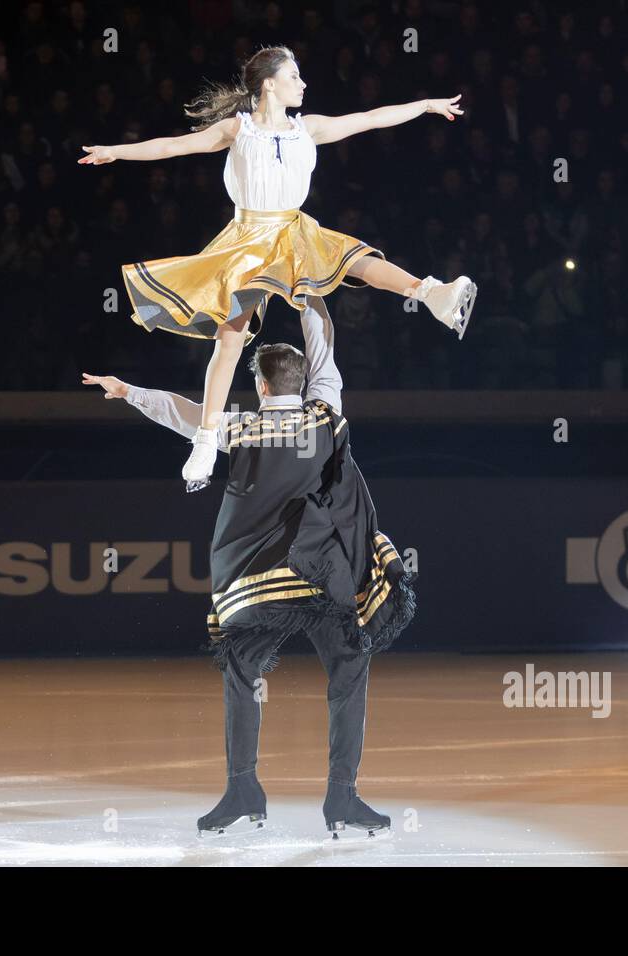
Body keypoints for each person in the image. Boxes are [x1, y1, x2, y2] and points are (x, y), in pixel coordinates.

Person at [82, 293, 416, 841]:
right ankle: (342, 797)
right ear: (301, 382)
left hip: (258, 587)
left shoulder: (234, 429)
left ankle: (243, 788)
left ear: (260, 386)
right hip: (324, 577)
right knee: (349, 669)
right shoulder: (324, 417)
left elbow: (183, 413)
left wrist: (126, 392)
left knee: (241, 672)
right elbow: (324, 348)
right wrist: (311, 290)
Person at [79, 44, 477, 492]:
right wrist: (116, 151)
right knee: (230, 338)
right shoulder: (238, 129)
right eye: (294, 76)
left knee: (357, 260)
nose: (303, 84)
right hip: (248, 239)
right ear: (269, 83)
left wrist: (425, 105)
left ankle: (433, 295)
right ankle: (207, 439)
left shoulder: (308, 128)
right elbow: (175, 145)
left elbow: (369, 118)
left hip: (293, 231)